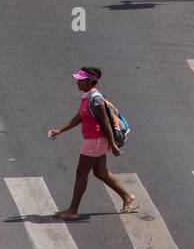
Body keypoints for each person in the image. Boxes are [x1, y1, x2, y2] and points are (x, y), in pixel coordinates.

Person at [47, 66, 137, 219]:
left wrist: (113, 144)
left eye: (80, 81)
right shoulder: (87, 97)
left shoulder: (96, 99)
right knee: (101, 173)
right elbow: (79, 117)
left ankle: (73, 210)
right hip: (95, 140)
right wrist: (61, 130)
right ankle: (127, 197)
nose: (77, 83)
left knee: (81, 174)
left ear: (90, 81)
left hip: (95, 141)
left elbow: (106, 122)